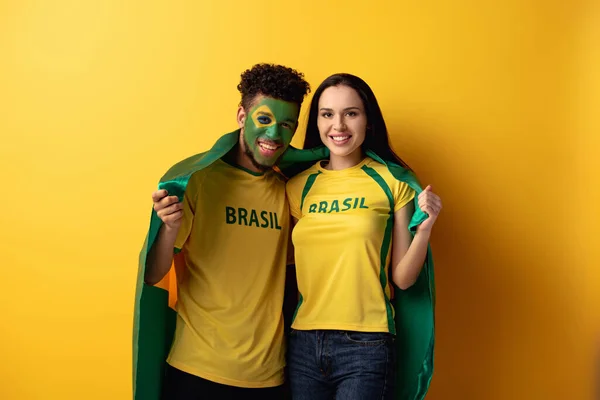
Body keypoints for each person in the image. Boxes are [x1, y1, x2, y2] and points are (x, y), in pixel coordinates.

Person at [139, 63, 311, 400]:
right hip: (195, 368)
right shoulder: (199, 181)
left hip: (267, 377)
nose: (274, 135)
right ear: (241, 116)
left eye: (286, 125)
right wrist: (169, 229)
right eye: (264, 120)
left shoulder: (289, 190)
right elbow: (154, 273)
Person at [285, 73, 442, 399]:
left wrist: (424, 228)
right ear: (316, 122)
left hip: (367, 345)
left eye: (351, 113)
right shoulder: (297, 187)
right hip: (303, 341)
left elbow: (402, 278)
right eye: (327, 114)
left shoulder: (392, 181)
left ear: (368, 121)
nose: (338, 125)